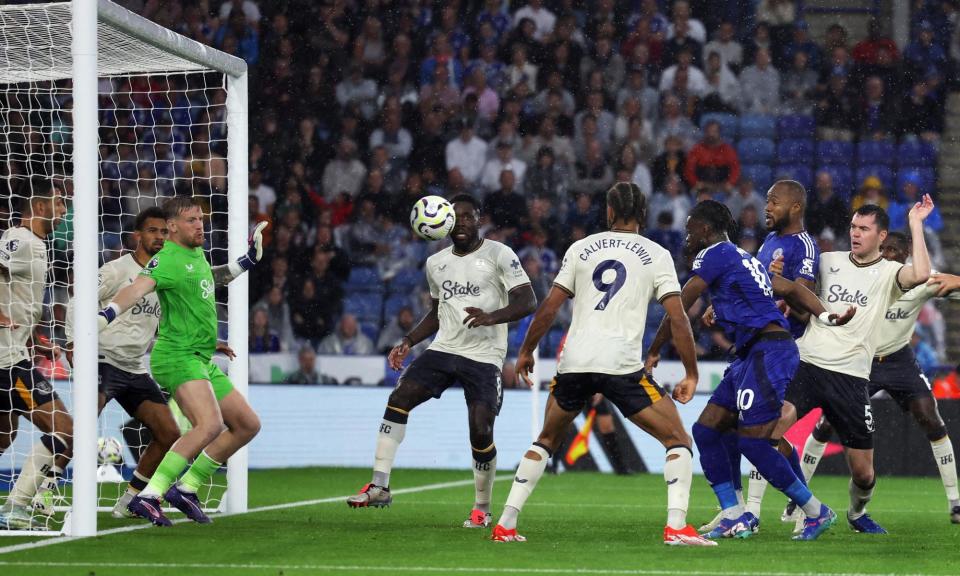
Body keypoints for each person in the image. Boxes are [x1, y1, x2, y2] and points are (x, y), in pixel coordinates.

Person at [491, 182, 714, 546]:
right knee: (677, 439)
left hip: (575, 361)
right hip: (622, 365)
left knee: (546, 439)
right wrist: (691, 371)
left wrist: (527, 349)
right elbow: (678, 318)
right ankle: (676, 526)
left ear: (609, 212)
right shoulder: (656, 254)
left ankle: (506, 524)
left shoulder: (581, 248)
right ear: (642, 214)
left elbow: (550, 306)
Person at [645, 200, 855, 541]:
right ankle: (734, 513)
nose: (687, 235)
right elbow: (787, 288)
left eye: (690, 228)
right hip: (749, 354)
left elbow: (679, 305)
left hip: (768, 351)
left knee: (755, 444)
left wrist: (654, 350)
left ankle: (816, 512)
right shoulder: (744, 259)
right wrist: (826, 314)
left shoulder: (713, 253)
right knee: (708, 430)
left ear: (706, 229)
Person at [347, 194, 537, 531]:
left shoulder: (499, 254)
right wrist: (407, 341)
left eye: (468, 216)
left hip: (484, 356)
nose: (461, 222)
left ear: (479, 219)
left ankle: (482, 508)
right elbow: (437, 313)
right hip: (444, 349)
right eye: (456, 216)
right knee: (399, 398)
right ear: (444, 221)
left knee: (480, 430)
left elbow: (528, 299)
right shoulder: (436, 263)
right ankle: (379, 486)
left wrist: (493, 317)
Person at [767, 199, 936, 535]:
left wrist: (916, 222)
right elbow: (799, 291)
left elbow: (920, 274)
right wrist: (780, 284)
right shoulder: (828, 261)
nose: (855, 234)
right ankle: (801, 507)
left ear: (881, 235)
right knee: (768, 432)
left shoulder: (889, 273)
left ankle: (857, 514)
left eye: (864, 229)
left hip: (852, 378)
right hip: (809, 363)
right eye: (853, 227)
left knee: (864, 474)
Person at [97, 197, 266, 526]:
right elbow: (137, 288)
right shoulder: (168, 259)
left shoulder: (195, 254)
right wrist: (106, 316)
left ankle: (186, 488)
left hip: (201, 357)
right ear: (172, 226)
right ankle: (149, 496)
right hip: (176, 356)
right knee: (209, 425)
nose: (200, 225)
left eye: (201, 219)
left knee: (247, 425)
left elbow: (208, 280)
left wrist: (246, 262)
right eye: (191, 220)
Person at [790, 232, 960, 526]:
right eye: (885, 249)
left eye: (895, 250)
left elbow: (953, 282)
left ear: (908, 255)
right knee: (827, 422)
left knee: (930, 417)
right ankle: (798, 497)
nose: (890, 254)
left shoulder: (918, 280)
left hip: (898, 359)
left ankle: (955, 502)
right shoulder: (868, 274)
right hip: (861, 360)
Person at [727, 181, 820, 525]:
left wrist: (783, 286)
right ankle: (796, 500)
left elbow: (803, 310)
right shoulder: (768, 242)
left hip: (781, 349)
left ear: (795, 207)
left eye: (773, 201)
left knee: (759, 431)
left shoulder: (806, 247)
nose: (766, 207)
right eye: (766, 201)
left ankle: (749, 512)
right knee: (755, 432)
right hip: (753, 345)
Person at [0, 179, 71, 530]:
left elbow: (14, 300)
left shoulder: (38, 246)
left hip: (16, 352)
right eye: (59, 204)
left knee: (3, 436)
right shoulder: (20, 239)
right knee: (66, 429)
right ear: (40, 207)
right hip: (7, 362)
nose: (64, 211)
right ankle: (15, 506)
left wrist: (36, 340)